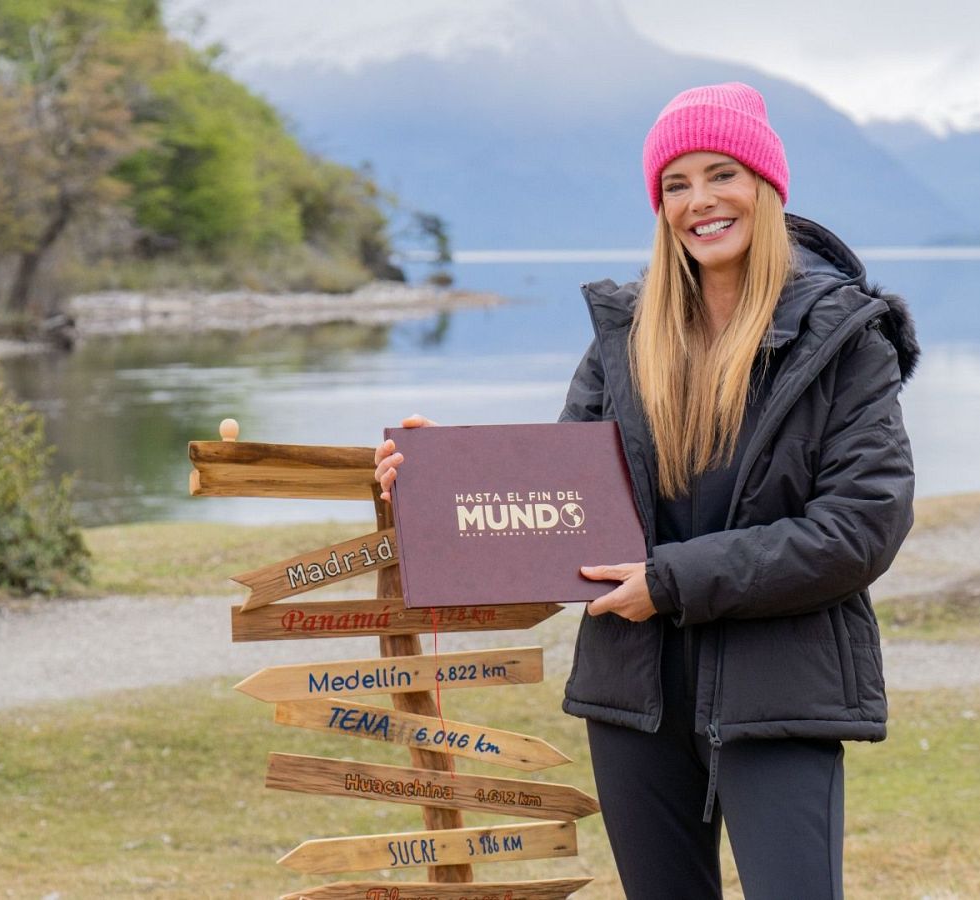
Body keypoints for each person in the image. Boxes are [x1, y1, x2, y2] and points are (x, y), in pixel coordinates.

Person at [374, 82, 918, 900]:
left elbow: (860, 528)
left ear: (767, 188)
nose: (699, 201)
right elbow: (557, 506)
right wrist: (430, 484)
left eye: (721, 174)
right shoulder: (625, 337)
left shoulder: (843, 338)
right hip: (635, 693)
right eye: (675, 184)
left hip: (782, 686)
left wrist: (668, 582)